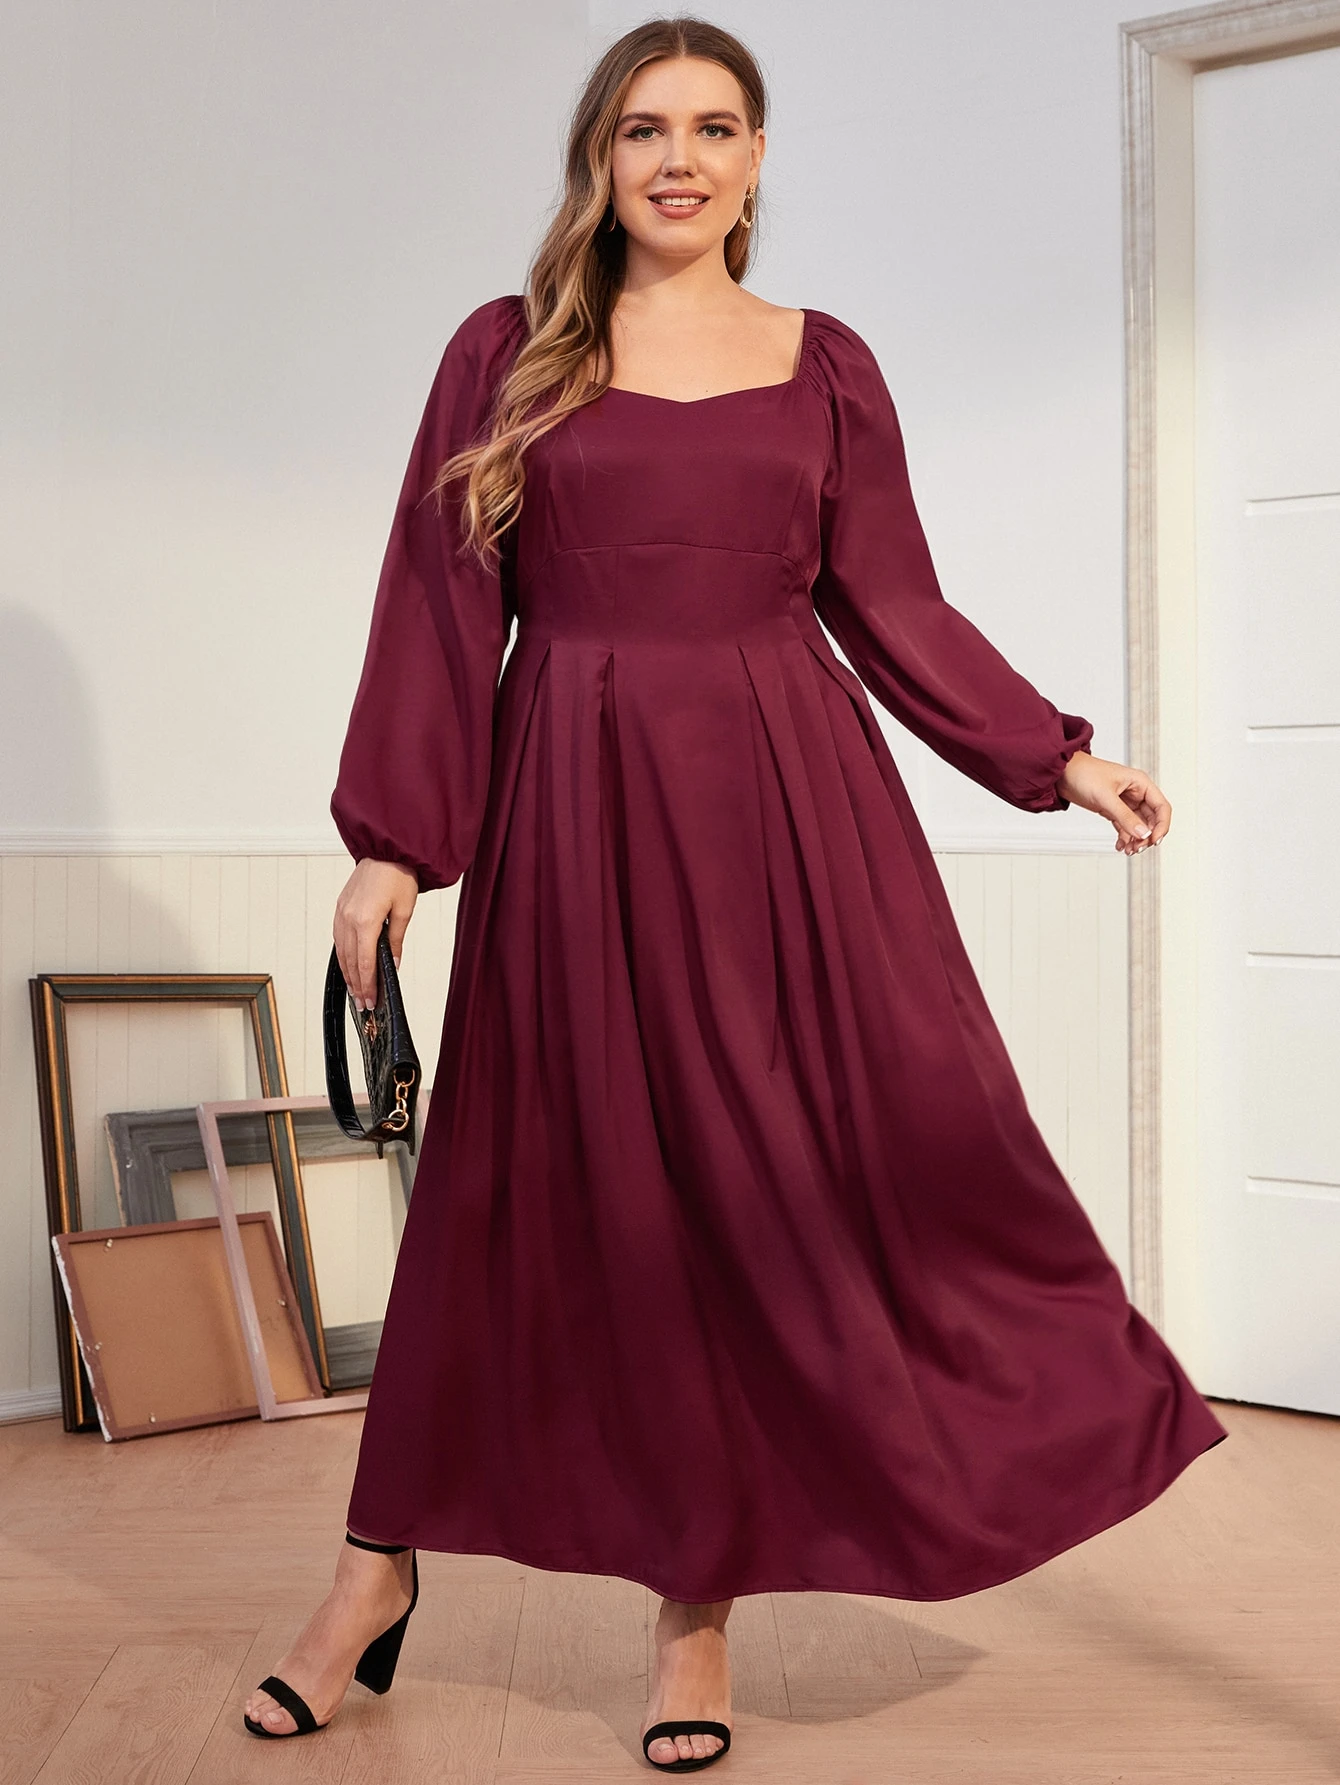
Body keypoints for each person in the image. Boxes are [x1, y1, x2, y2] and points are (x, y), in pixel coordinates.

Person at [243, 15, 1228, 1773]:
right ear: (599, 159)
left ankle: (693, 1619)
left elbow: (895, 602)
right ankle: (370, 1573)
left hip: (789, 821)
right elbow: (441, 601)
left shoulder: (825, 363)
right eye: (644, 130)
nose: (679, 159)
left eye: (712, 128)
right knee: (515, 1198)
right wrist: (394, 843)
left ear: (759, 158)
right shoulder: (505, 353)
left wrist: (1055, 755)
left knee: (773, 1197)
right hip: (573, 813)